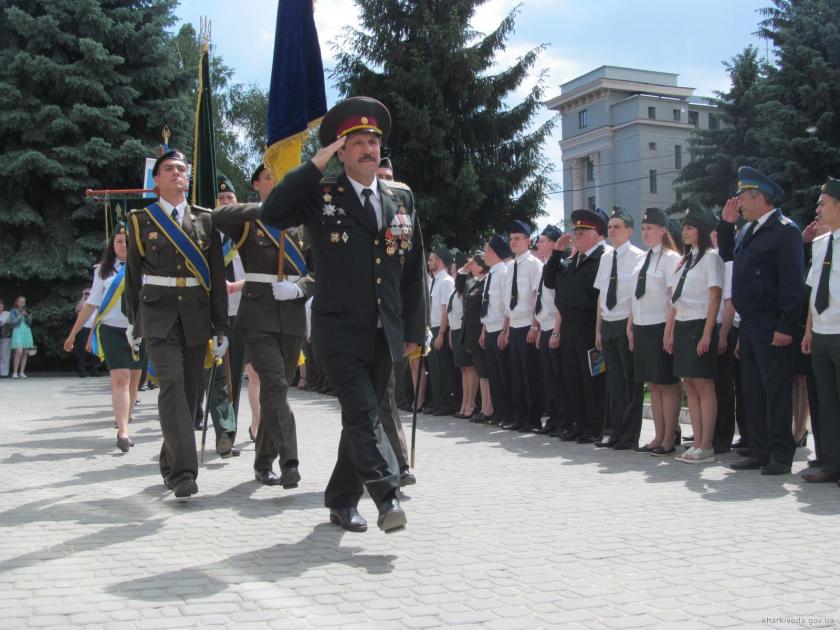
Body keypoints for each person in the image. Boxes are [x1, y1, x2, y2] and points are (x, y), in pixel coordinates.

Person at [259, 96, 426, 533]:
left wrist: (414, 329)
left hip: (383, 332)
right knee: (362, 412)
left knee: (363, 415)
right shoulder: (321, 196)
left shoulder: (401, 197)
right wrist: (315, 164)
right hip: (339, 331)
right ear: (341, 151)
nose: (369, 149)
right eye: (357, 143)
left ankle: (340, 500)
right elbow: (271, 211)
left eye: (374, 141)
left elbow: (411, 270)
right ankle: (387, 496)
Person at [124, 149, 228, 498]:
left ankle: (169, 463)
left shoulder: (206, 220)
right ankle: (184, 472)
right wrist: (132, 323)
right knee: (170, 384)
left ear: (188, 178)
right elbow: (133, 276)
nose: (176, 174)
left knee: (188, 394)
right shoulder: (141, 220)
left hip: (197, 316)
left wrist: (222, 326)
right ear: (156, 179)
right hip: (158, 315)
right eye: (168, 169)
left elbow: (215, 276)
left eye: (181, 169)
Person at [214, 166, 316, 488]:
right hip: (258, 314)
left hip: (292, 316)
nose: (275, 180)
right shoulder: (249, 219)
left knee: (278, 389)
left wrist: (301, 288)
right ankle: (290, 461)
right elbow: (218, 216)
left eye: (279, 174)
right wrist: (263, 208)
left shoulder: (304, 223)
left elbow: (321, 269)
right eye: (268, 176)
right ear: (257, 184)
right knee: (274, 384)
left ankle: (262, 462)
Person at [720, 166, 805, 475]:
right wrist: (726, 224)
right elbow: (728, 254)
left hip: (773, 324)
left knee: (776, 391)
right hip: (751, 324)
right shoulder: (747, 231)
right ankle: (759, 449)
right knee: (753, 391)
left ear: (759, 197)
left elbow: (793, 283)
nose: (739, 202)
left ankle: (781, 454)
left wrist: (785, 326)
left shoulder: (785, 230)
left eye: (743, 196)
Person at [63, 224, 147, 452]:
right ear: (112, 245)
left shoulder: (146, 266)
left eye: (127, 240)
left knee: (134, 378)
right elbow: (92, 305)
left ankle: (127, 417)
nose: (123, 245)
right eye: (118, 241)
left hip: (139, 330)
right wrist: (74, 334)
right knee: (120, 378)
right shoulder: (103, 270)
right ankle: (123, 431)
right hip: (111, 330)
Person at [664, 206, 724, 464]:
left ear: (701, 230)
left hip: (700, 324)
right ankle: (696, 442)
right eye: (684, 227)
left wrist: (707, 333)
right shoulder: (686, 260)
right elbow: (675, 301)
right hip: (683, 324)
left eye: (690, 227)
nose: (685, 231)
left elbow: (715, 297)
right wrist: (669, 331)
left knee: (704, 384)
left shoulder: (711, 257)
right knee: (690, 384)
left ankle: (706, 444)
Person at [543, 208, 608, 443]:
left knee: (593, 378)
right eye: (576, 232)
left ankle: (595, 427)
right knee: (571, 378)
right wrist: (557, 251)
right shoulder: (570, 260)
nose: (576, 236)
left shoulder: (602, 258)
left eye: (582, 232)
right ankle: (577, 424)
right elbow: (549, 281)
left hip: (590, 325)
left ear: (595, 234)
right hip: (569, 327)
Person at [627, 208, 682, 455]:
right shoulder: (642, 259)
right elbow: (633, 297)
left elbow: (674, 299)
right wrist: (630, 326)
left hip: (660, 325)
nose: (645, 232)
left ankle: (669, 437)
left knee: (667, 383)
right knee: (654, 385)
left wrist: (669, 331)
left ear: (662, 231)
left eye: (650, 228)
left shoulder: (671, 258)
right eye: (643, 228)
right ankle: (658, 436)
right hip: (641, 326)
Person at [594, 208, 645, 449]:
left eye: (617, 226)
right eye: (610, 226)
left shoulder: (638, 256)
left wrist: (632, 326)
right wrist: (598, 328)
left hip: (626, 322)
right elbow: (601, 296)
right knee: (613, 380)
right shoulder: (606, 257)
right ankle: (616, 431)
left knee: (629, 380)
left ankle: (630, 434)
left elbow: (636, 296)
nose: (611, 230)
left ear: (629, 231)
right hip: (608, 322)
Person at [801, 177, 840, 483]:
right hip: (822, 333)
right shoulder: (819, 243)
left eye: (823, 203)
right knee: (825, 402)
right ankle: (830, 461)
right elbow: (814, 291)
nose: (818, 208)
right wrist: (809, 331)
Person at [501, 220, 544, 432]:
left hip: (528, 324)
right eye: (511, 239)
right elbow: (508, 301)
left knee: (530, 375)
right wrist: (506, 329)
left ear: (528, 241)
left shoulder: (535, 265)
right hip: (514, 325)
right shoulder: (510, 267)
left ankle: (533, 419)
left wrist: (535, 326)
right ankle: (520, 417)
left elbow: (536, 297)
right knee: (516, 375)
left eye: (518, 239)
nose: (513, 242)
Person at [532, 226, 567, 436]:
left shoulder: (559, 267)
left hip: (556, 327)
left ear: (554, 245)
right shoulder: (545, 266)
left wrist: (555, 331)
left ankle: (562, 420)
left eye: (543, 241)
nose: (538, 244)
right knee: (549, 378)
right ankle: (554, 419)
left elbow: (560, 303)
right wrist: (537, 327)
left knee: (558, 377)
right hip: (544, 327)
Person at [479, 235, 512, 427]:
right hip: (490, 329)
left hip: (500, 329)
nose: (484, 254)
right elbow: (488, 305)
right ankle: (498, 413)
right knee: (493, 375)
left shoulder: (503, 272)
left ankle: (507, 413)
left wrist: (505, 330)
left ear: (493, 252)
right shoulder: (491, 274)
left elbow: (506, 305)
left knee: (503, 374)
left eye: (486, 250)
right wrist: (484, 331)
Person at [462, 252, 493, 422]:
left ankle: (488, 407)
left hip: (480, 330)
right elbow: (461, 283)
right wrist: (464, 270)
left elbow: (484, 310)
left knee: (485, 371)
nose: (470, 267)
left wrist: (483, 331)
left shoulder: (485, 283)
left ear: (482, 266)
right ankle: (484, 407)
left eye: (474, 264)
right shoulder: (477, 284)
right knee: (481, 371)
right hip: (472, 332)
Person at [426, 247, 457, 415]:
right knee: (434, 368)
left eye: (431, 259)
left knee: (443, 368)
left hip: (440, 328)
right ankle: (438, 402)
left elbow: (445, 310)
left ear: (439, 261)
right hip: (432, 327)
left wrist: (441, 334)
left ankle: (447, 403)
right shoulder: (435, 280)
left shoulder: (446, 281)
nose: (429, 262)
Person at [450, 251, 477, 420]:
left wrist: (465, 270)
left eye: (455, 268)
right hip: (457, 330)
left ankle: (471, 403)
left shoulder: (470, 283)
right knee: (463, 369)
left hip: (465, 329)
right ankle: (464, 402)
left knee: (470, 367)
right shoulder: (457, 286)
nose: (452, 270)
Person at [73, 288, 99, 377]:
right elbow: (78, 309)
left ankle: (94, 371)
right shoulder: (83, 304)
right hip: (84, 329)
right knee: (83, 350)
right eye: (87, 293)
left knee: (94, 350)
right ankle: (82, 371)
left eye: (89, 293)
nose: (88, 295)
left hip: (93, 329)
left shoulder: (95, 303)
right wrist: (83, 297)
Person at [9, 296, 34, 378]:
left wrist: (30, 316)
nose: (22, 303)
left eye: (24, 302)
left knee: (25, 352)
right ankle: (15, 372)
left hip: (26, 331)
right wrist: (20, 315)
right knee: (19, 351)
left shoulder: (26, 310)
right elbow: (13, 323)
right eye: (21, 302)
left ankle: (22, 372)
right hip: (18, 331)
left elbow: (29, 323)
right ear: (17, 302)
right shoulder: (13, 311)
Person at [0, 300, 11, 377]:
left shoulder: (7, 314)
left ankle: (4, 373)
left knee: (5, 355)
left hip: (6, 337)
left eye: (1, 306)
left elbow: (3, 322)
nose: (0, 307)